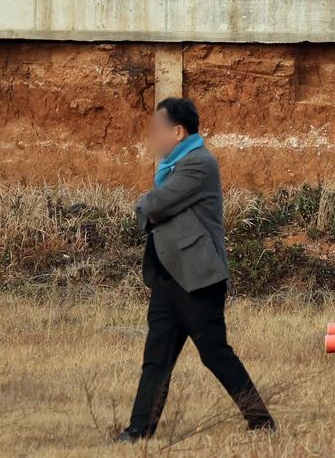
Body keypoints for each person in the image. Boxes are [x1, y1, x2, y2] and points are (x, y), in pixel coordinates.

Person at [117, 97, 275, 441]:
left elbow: (157, 204)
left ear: (177, 131)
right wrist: (154, 208)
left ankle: (261, 421)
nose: (153, 137)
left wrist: (145, 204)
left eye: (158, 130)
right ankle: (139, 430)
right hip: (167, 278)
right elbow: (160, 209)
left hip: (197, 279)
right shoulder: (173, 165)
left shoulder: (198, 163)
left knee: (215, 353)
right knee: (156, 358)